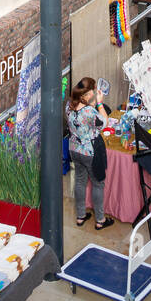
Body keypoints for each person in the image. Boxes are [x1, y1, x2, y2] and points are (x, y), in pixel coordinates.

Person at [66, 77, 114, 231]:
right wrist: (99, 103)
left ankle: (80, 216)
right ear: (86, 95)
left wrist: (92, 104)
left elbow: (82, 121)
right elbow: (104, 123)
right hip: (90, 151)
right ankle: (100, 219)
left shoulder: (69, 106)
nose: (95, 92)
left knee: (79, 181)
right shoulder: (88, 112)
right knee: (98, 184)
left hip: (74, 149)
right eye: (93, 90)